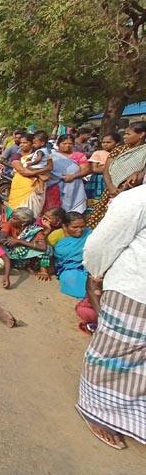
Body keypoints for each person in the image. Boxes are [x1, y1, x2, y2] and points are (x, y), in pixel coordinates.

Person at [76, 184, 146, 449]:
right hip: (135, 289)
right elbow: (101, 244)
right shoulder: (138, 200)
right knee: (113, 353)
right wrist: (95, 275)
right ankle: (97, 411)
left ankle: (132, 414)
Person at [87, 122, 146, 228]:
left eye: (128, 134)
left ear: (141, 134)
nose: (124, 136)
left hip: (132, 192)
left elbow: (142, 174)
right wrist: (111, 188)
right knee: (101, 222)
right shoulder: (118, 150)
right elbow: (106, 171)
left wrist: (124, 188)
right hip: (111, 190)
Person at [0, 207, 51, 281]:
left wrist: (19, 242)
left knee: (47, 249)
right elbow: (2, 238)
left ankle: (43, 270)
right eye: (11, 217)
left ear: (23, 222)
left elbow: (43, 248)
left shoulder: (35, 230)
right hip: (12, 253)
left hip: (27, 257)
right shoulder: (9, 224)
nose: (11, 220)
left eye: (14, 219)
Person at [8, 133, 52, 215]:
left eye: (25, 142)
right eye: (21, 143)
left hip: (35, 188)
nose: (22, 145)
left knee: (33, 213)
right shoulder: (17, 156)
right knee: (16, 211)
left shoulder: (40, 154)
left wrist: (39, 172)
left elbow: (49, 168)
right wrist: (39, 174)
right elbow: (23, 171)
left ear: (32, 143)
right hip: (20, 186)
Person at [52, 212, 91, 299]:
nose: (80, 230)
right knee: (71, 279)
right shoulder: (56, 236)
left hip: (90, 266)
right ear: (65, 226)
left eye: (82, 226)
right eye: (75, 227)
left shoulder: (90, 234)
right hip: (69, 269)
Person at [49, 134, 88, 214]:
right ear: (58, 144)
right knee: (54, 211)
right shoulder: (51, 155)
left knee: (74, 211)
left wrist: (73, 176)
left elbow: (85, 170)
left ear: (73, 144)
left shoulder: (79, 156)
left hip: (74, 186)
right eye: (64, 143)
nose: (67, 146)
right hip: (54, 185)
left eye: (70, 143)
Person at [85, 132, 122, 209]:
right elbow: (95, 169)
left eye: (108, 142)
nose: (105, 144)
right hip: (99, 180)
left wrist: (103, 168)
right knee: (97, 200)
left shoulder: (121, 153)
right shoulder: (98, 153)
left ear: (117, 143)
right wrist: (112, 169)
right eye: (103, 142)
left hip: (115, 180)